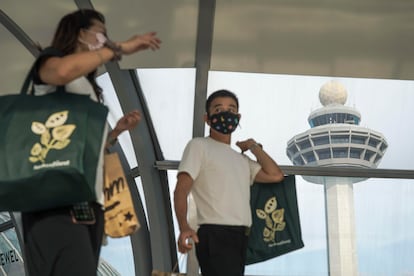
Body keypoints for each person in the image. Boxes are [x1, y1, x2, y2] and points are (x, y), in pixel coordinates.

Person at [21, 9, 161, 276]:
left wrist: (115, 134)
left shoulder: (84, 86)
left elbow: (81, 146)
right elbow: (61, 72)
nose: (105, 38)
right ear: (79, 32)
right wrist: (121, 47)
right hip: (56, 195)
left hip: (85, 199)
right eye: (100, 31)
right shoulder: (51, 61)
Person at [174, 89, 285, 276]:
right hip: (215, 233)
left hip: (240, 236)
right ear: (207, 119)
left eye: (232, 110)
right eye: (218, 110)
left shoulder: (241, 159)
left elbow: (275, 175)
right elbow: (181, 189)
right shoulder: (199, 146)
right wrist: (184, 226)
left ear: (238, 117)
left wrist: (252, 146)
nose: (226, 114)